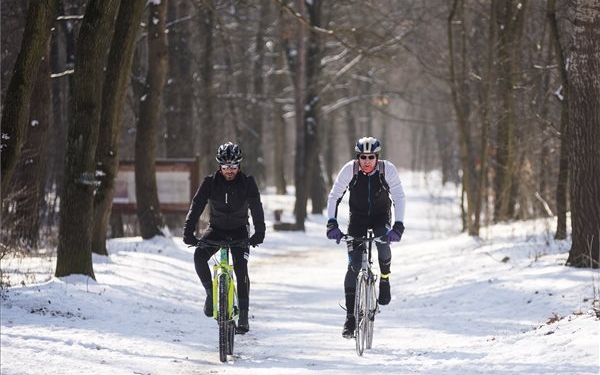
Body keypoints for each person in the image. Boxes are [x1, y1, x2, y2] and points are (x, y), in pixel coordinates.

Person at [325, 136, 406, 338]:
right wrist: (332, 222)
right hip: (358, 219)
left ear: (377, 157)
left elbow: (398, 197)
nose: (367, 161)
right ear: (358, 157)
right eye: (363, 157)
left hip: (381, 217)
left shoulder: (387, 170)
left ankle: (385, 278)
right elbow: (334, 196)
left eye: (371, 157)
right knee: (353, 266)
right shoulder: (349, 170)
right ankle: (350, 318)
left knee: (383, 243)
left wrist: (398, 225)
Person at [183, 142, 265, 334]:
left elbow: (257, 208)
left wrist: (258, 234)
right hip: (216, 229)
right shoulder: (210, 182)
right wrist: (188, 232)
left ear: (239, 165)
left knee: (240, 268)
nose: (230, 171)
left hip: (239, 231)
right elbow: (196, 206)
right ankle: (211, 294)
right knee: (199, 256)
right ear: (219, 166)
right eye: (226, 166)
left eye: (234, 166)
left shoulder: (247, 182)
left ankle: (243, 314)